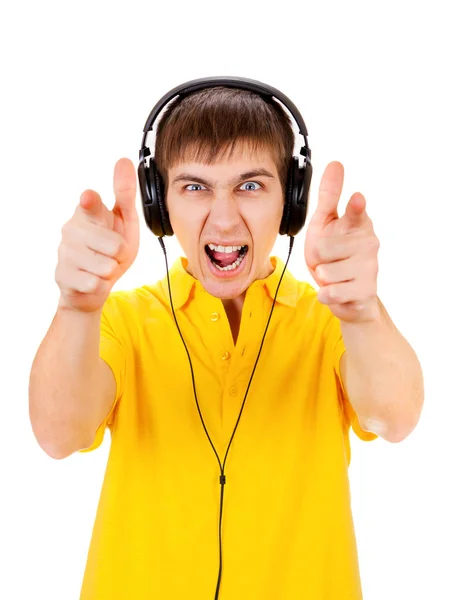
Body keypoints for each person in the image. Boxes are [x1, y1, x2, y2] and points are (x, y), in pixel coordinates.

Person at [28, 78, 424, 600]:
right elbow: (58, 435)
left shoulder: (328, 322)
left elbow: (393, 419)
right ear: (159, 205)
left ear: (292, 202)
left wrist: (362, 311)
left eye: (251, 186)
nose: (222, 216)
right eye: (194, 187)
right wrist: (76, 307)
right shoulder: (121, 321)